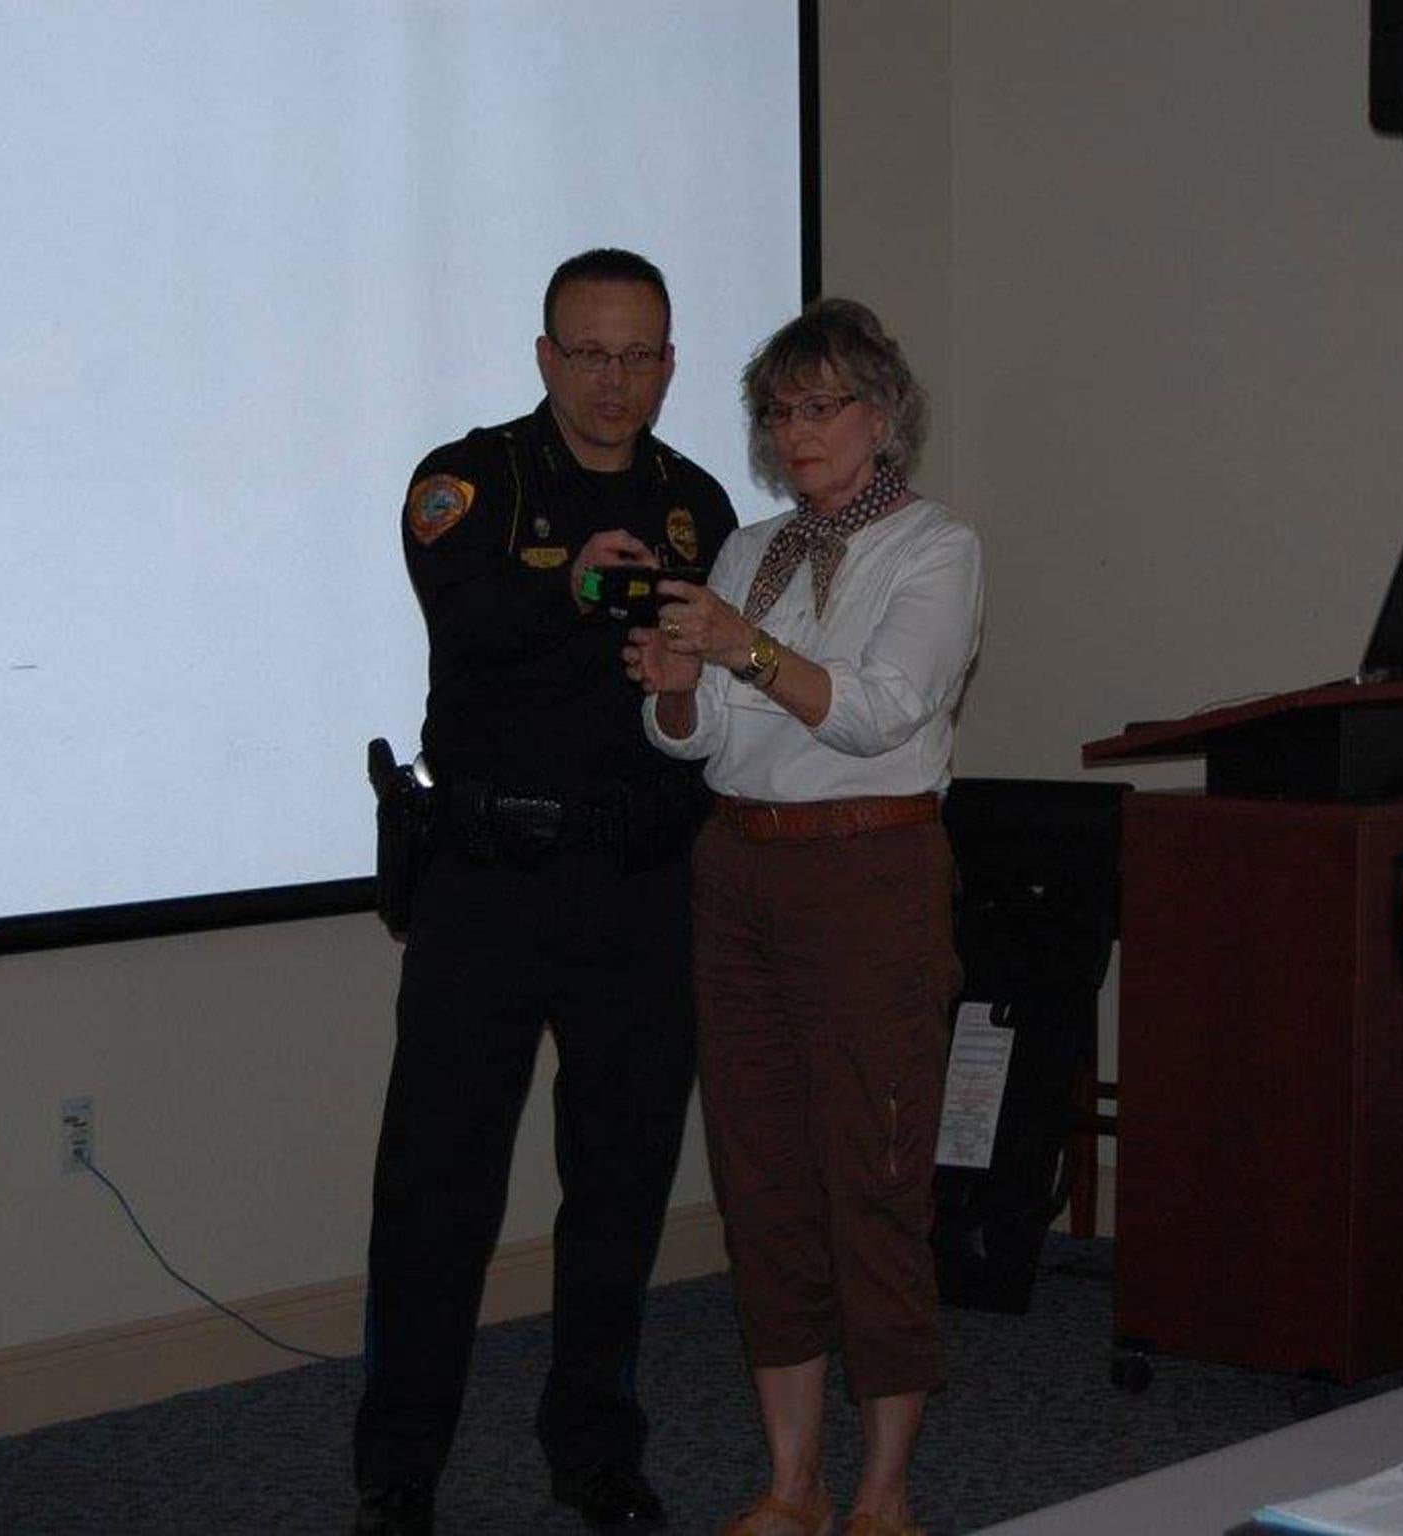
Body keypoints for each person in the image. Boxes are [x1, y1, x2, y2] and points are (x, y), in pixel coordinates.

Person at [353, 248, 737, 1535]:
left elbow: (717, 700)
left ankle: (594, 1452)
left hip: (638, 887)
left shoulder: (699, 507)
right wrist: (573, 582)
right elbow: (463, 619)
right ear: (544, 357)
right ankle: (398, 1468)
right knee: (436, 1186)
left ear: (671, 364)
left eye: (640, 356)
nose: (615, 380)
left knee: (621, 1186)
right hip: (488, 884)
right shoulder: (469, 480)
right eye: (590, 353)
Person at [629, 298, 983, 1536]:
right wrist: (679, 692)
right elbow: (705, 741)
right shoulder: (750, 550)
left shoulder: (935, 547)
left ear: (882, 415)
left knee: (872, 1175)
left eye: (819, 405)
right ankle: (791, 1481)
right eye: (777, 412)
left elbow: (879, 713)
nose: (796, 431)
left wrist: (740, 654)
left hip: (867, 876)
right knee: (761, 1177)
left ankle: (883, 1488)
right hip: (737, 874)